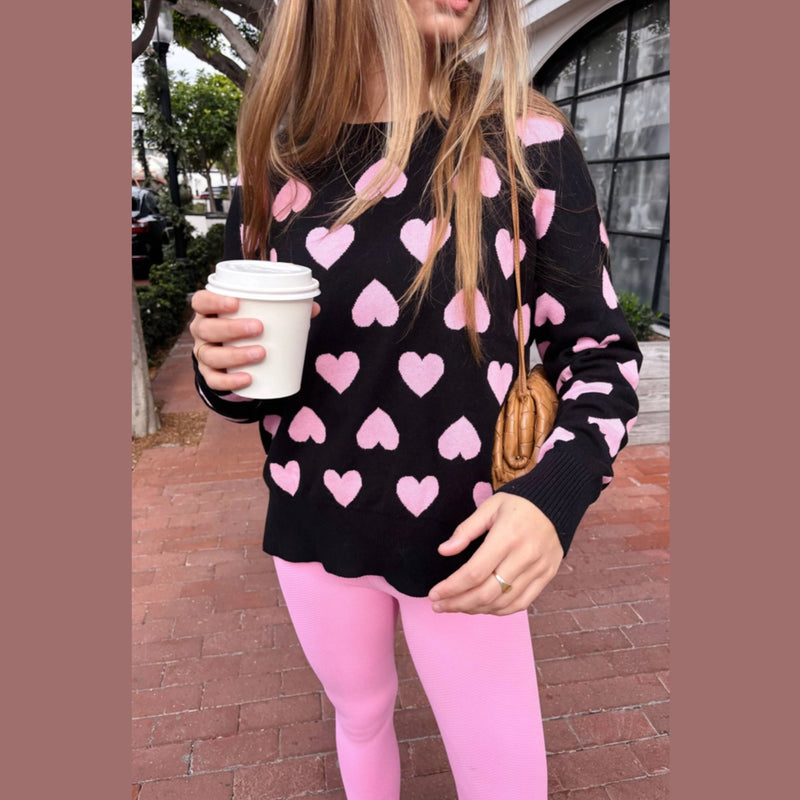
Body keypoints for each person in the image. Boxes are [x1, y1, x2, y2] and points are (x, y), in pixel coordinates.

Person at [189, 0, 642, 796]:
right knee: (360, 716)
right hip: (312, 524)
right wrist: (218, 369)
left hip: (469, 539)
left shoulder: (524, 143)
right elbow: (254, 389)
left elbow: (601, 357)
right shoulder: (278, 166)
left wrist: (555, 497)